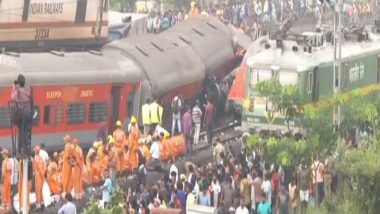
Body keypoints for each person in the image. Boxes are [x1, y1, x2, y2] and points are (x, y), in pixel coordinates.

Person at [10, 74, 32, 155]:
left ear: (19, 82)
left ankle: (19, 149)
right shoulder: (28, 89)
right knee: (26, 131)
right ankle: (25, 148)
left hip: (21, 113)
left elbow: (13, 98)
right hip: (28, 113)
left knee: (20, 132)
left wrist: (14, 88)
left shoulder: (18, 90)